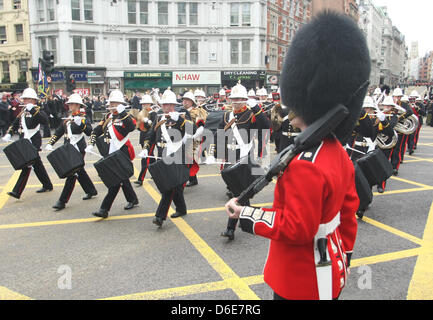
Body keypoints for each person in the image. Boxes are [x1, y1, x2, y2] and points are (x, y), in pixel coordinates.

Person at [225, 11, 370, 300]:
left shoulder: (307, 164)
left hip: (302, 278)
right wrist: (346, 258)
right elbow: (348, 214)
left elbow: (296, 228)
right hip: (331, 266)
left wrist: (246, 213)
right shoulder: (334, 151)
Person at [206, 82, 270, 241]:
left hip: (244, 158)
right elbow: (219, 133)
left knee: (238, 194)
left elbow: (265, 126)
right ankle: (250, 220)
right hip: (230, 157)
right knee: (241, 194)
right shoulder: (227, 115)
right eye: (234, 99)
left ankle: (230, 228)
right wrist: (214, 152)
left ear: (246, 99)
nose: (236, 101)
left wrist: (256, 108)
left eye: (240, 98)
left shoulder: (251, 114)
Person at [140, 89, 197, 228]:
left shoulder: (182, 116)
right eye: (165, 105)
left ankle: (159, 216)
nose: (167, 107)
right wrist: (146, 147)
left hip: (176, 155)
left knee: (167, 188)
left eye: (170, 105)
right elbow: (151, 135)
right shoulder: (159, 118)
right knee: (175, 186)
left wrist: (181, 121)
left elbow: (193, 131)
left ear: (174, 105)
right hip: (162, 155)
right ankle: (181, 208)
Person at [86, 89, 139, 218]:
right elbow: (96, 130)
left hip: (122, 151)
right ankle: (133, 199)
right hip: (111, 151)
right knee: (122, 178)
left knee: (115, 182)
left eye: (115, 103)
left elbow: (131, 127)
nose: (112, 105)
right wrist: (91, 143)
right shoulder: (107, 117)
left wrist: (122, 112)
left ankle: (104, 209)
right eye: (111, 103)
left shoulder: (126, 116)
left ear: (121, 103)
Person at [45, 93, 98, 210]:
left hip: (78, 149)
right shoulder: (67, 117)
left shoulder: (83, 117)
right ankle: (91, 190)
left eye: (72, 104)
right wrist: (50, 143)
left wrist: (81, 124)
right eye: (69, 103)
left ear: (78, 105)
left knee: (72, 173)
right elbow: (59, 131)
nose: (69, 105)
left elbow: (90, 132)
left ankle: (62, 201)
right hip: (68, 149)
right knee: (80, 171)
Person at [2, 88, 53, 198]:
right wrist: (9, 133)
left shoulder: (38, 110)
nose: (24, 101)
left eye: (27, 99)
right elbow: (15, 123)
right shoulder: (23, 111)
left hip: (33, 142)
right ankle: (47, 185)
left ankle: (17, 191)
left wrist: (33, 111)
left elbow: (45, 120)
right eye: (24, 99)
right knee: (37, 164)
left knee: (27, 165)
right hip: (24, 141)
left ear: (33, 100)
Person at [134, 93, 157, 186]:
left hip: (150, 138)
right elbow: (138, 128)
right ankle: (156, 173)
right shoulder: (141, 113)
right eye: (143, 104)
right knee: (150, 157)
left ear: (150, 104)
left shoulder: (153, 113)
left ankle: (141, 179)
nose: (144, 105)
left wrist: (148, 122)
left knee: (145, 158)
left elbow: (154, 126)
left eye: (146, 104)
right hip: (143, 137)